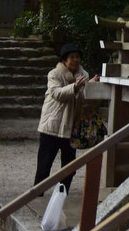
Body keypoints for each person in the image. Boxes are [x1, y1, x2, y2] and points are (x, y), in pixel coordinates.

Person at [34, 43, 98, 192]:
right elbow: (57, 94)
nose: (76, 60)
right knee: (44, 164)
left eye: (77, 57)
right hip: (52, 126)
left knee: (69, 166)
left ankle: (63, 194)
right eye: (72, 57)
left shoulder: (84, 75)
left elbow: (84, 99)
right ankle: (37, 194)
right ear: (64, 60)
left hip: (71, 127)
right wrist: (75, 87)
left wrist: (91, 86)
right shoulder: (54, 74)